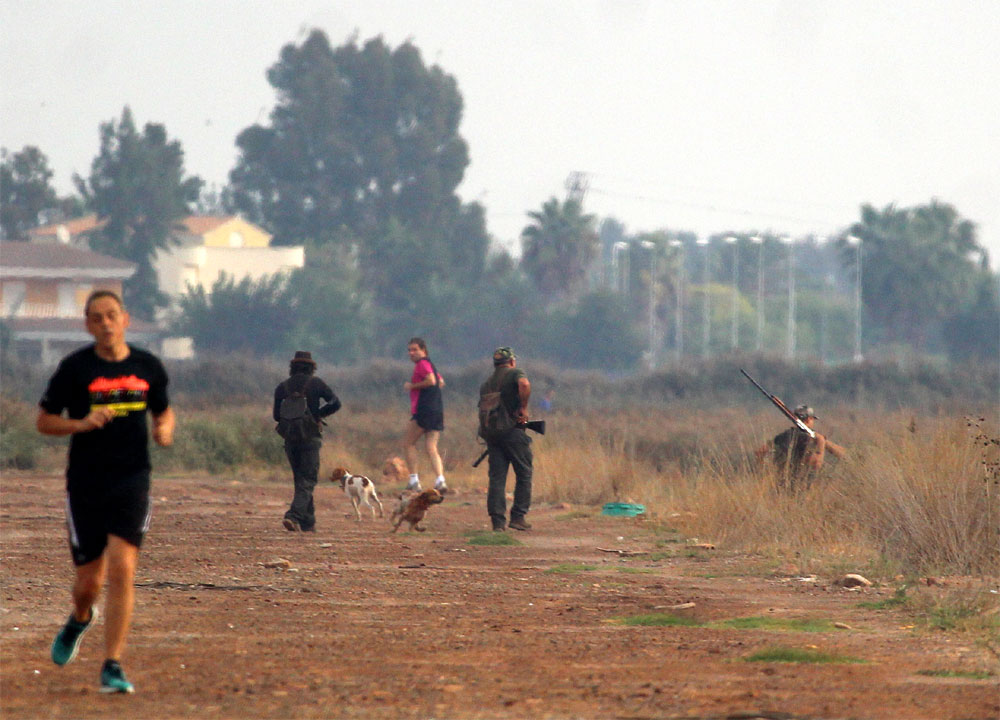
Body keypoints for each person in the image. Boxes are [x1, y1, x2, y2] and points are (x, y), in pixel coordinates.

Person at [38, 289, 175, 694]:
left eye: (112, 315)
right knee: (88, 585)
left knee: (122, 569)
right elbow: (44, 421)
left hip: (132, 479)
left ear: (126, 319)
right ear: (87, 324)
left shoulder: (148, 366)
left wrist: (164, 429)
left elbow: (164, 410)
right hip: (85, 482)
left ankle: (112, 664)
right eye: (97, 318)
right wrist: (81, 423)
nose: (105, 323)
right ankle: (80, 618)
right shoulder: (74, 368)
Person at [273, 351, 341, 532]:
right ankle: (293, 516)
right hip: (310, 437)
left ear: (292, 367)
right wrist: (318, 414)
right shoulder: (316, 383)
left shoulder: (282, 387)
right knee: (308, 479)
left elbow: (276, 416)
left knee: (301, 480)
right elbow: (336, 403)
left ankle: (308, 523)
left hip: (290, 439)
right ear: (311, 367)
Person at [479, 347, 533, 531]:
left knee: (497, 478)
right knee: (524, 472)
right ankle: (518, 516)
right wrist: (524, 408)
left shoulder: (487, 383)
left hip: (492, 435)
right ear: (511, 361)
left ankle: (498, 522)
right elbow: (524, 384)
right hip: (512, 431)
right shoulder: (515, 372)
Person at [755, 404, 846, 489]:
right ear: (808, 419)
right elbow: (816, 464)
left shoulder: (783, 436)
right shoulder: (812, 439)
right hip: (804, 486)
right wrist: (821, 442)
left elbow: (760, 452)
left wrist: (767, 472)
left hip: (781, 484)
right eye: (812, 419)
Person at [402, 337, 447, 492]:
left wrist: (412, 386)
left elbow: (432, 381)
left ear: (423, 350)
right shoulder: (430, 364)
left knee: (408, 443)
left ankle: (414, 480)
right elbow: (441, 381)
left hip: (424, 411)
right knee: (431, 447)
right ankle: (440, 480)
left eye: (415, 349)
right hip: (437, 410)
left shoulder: (422, 364)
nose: (411, 353)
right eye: (409, 350)